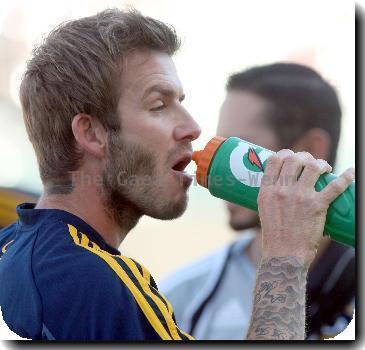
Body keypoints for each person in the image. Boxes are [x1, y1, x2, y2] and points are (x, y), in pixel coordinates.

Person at [0, 9, 354, 340]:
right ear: (92, 134)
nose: (192, 127)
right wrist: (285, 257)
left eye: (181, 102)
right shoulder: (96, 285)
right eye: (159, 105)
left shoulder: (17, 250)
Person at [160, 63, 355, 340]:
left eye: (238, 149)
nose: (216, 165)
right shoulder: (179, 301)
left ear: (309, 150)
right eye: (220, 143)